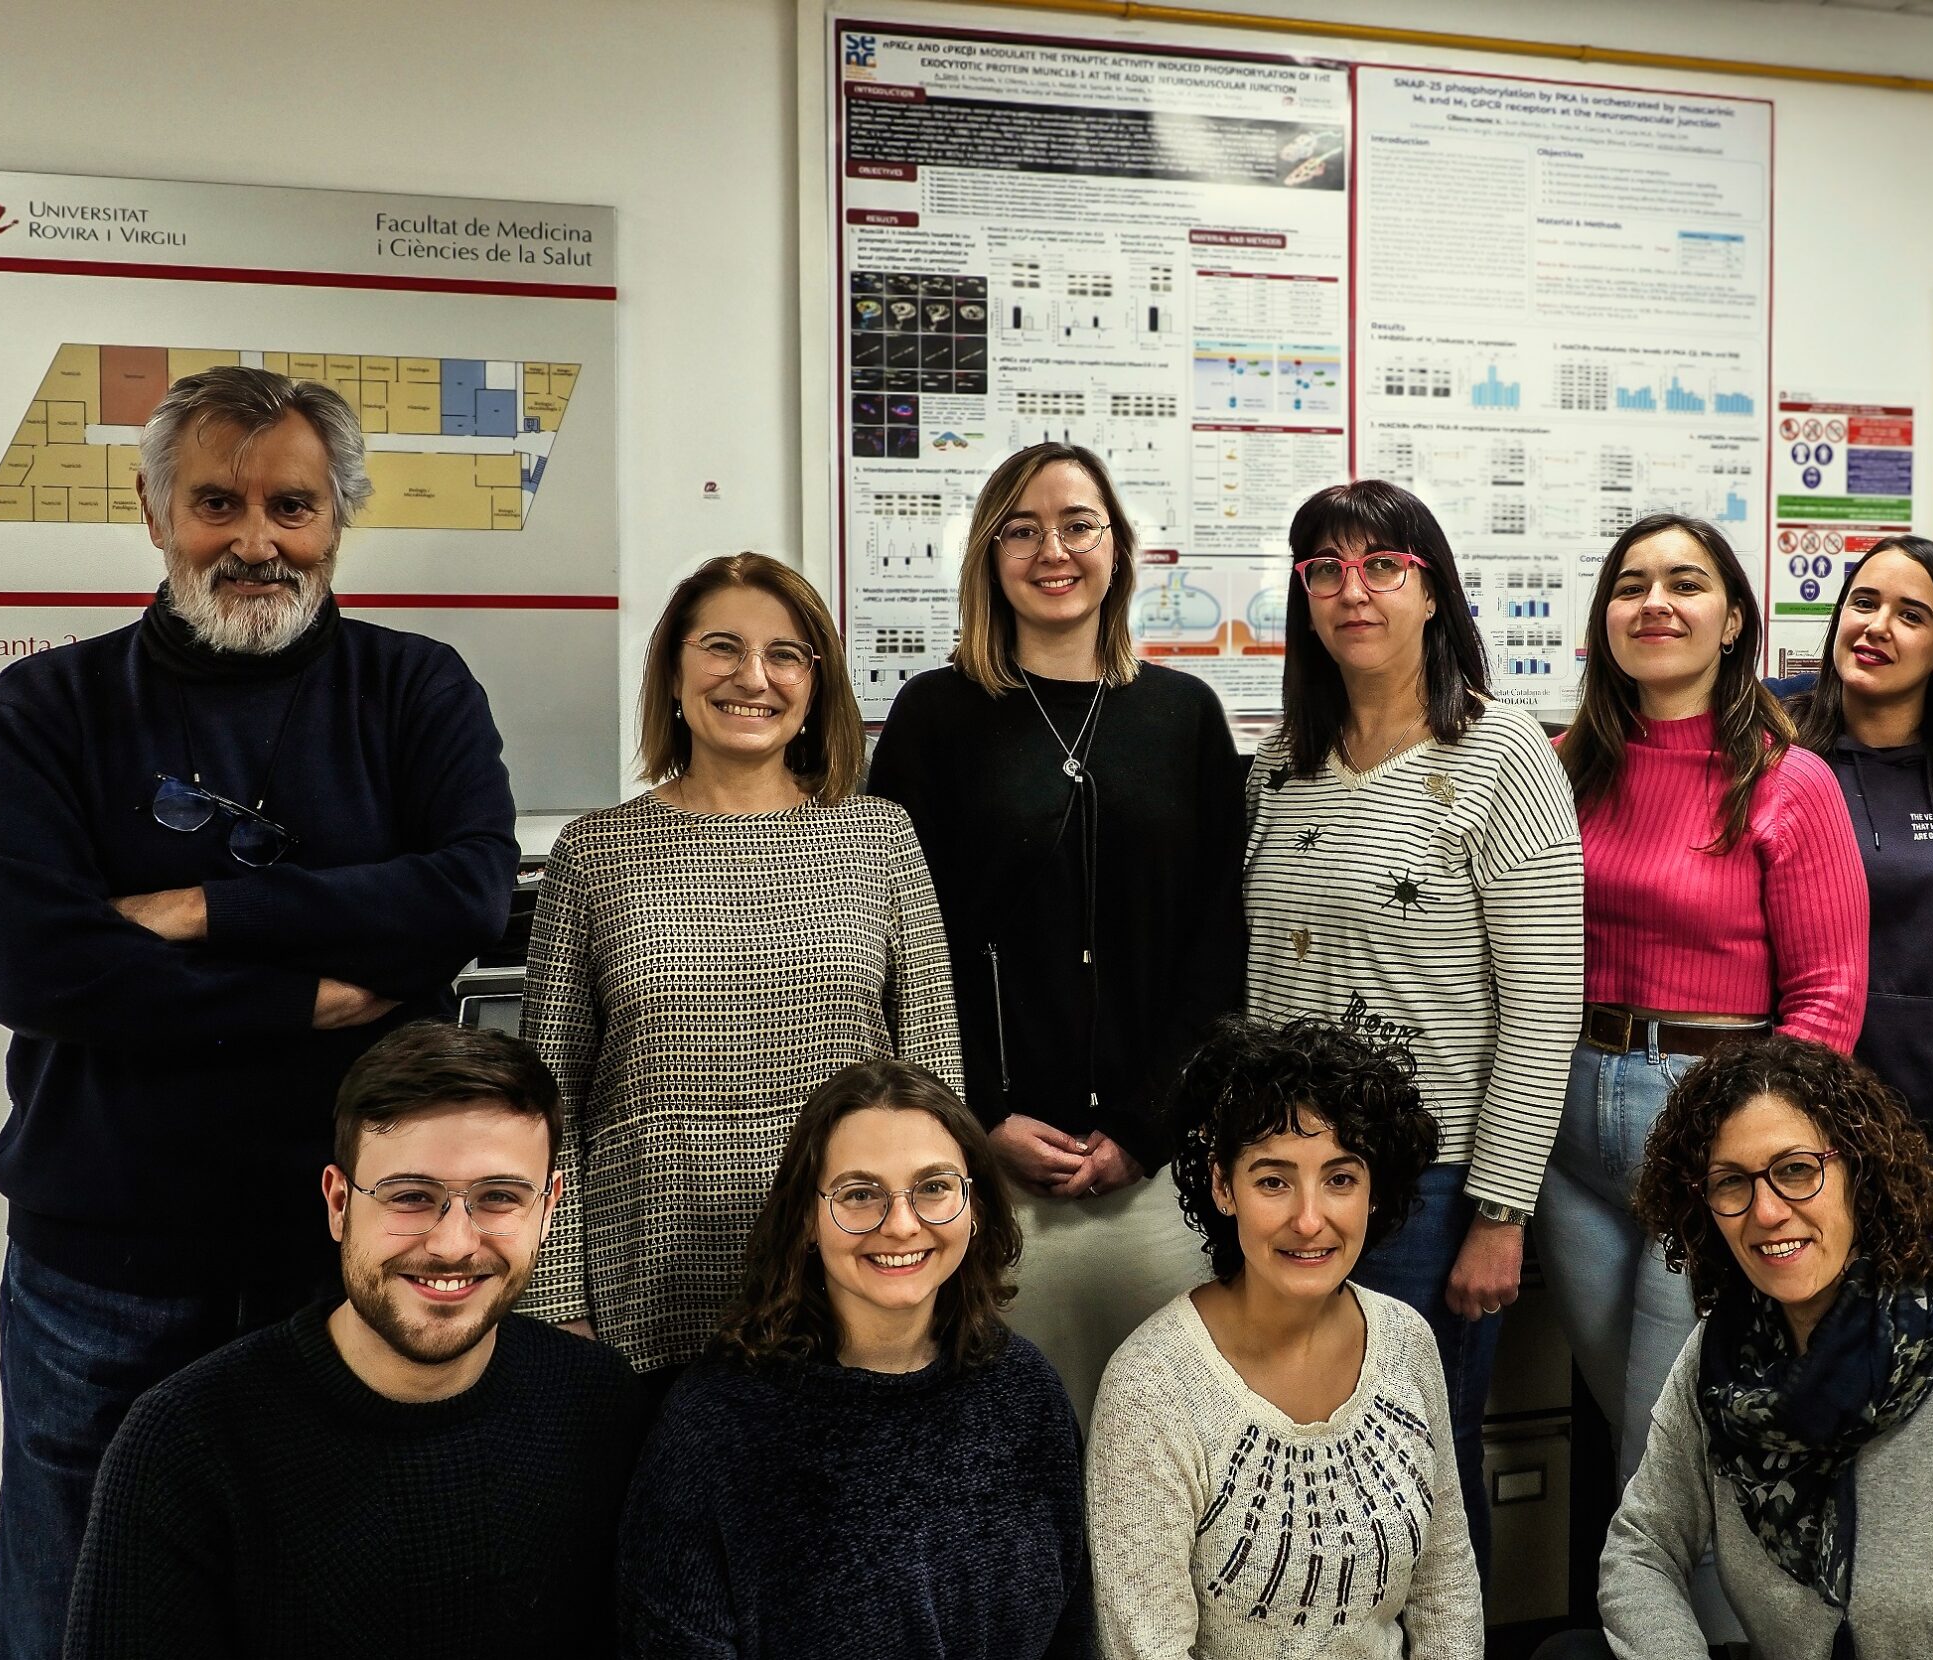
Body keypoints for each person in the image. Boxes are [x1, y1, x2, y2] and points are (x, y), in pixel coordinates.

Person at [0, 365, 518, 1660]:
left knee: (323, 1600)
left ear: (337, 519)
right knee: (76, 1603)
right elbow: (39, 970)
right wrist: (307, 991)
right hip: (104, 1263)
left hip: (340, 1256)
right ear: (155, 512)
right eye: (218, 502)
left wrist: (203, 911)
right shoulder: (40, 711)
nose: (256, 540)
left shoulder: (416, 689)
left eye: (291, 506)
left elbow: (464, 895)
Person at [517, 551, 961, 1397]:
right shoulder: (594, 853)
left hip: (856, 1282)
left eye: (785, 654)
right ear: (673, 671)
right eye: (722, 647)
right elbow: (549, 1103)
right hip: (648, 1297)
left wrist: (943, 1265)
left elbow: (936, 1081)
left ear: (815, 685)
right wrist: (558, 1302)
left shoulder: (881, 837)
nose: (753, 677)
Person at [1241, 478, 1583, 1575]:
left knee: (1417, 1464)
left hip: (1428, 1188)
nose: (1354, 590)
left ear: (1432, 592)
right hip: (1283, 1175)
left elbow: (1543, 1002)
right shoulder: (1276, 767)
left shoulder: (1502, 754)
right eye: (1326, 570)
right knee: (1294, 1451)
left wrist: (1500, 1213)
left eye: (1383, 566)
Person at [62, 1019, 645, 1658]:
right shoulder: (186, 1442)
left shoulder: (601, 1405)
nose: (453, 1244)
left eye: (499, 1197)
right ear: (339, 1203)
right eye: (411, 1196)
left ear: (548, 1206)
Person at [869, 441, 1245, 1422]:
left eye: (1079, 526)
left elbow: (1216, 946)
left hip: (1154, 1177)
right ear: (988, 556)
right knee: (1002, 1447)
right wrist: (980, 1116)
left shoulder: (1184, 716)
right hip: (981, 1170)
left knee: (1165, 1446)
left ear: (1116, 548)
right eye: (1022, 530)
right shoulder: (934, 716)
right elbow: (905, 946)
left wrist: (1144, 1128)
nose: (1053, 551)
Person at [1545, 1034, 1933, 1660]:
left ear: (1860, 1177)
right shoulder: (1722, 1361)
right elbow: (1642, 1547)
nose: (1767, 1212)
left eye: (1796, 1170)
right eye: (1732, 1182)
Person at [1545, 513, 1865, 1494]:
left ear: (1732, 622)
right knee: (1628, 1422)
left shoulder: (1788, 779)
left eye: (1685, 584)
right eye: (1630, 586)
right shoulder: (1561, 768)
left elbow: (1829, 996)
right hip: (1568, 1121)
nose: (1654, 604)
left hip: (1708, 1115)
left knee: (1669, 1437)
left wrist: (1755, 1147)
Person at [619, 1057, 1091, 1657]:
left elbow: (1072, 1629)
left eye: (934, 1187)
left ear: (975, 1207)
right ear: (807, 1219)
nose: (901, 1225)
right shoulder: (717, 1420)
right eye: (860, 1194)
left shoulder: (1024, 1390)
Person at [1087, 1015, 1482, 1659]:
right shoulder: (1148, 1388)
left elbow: (1447, 1588)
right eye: (1273, 1181)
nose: (1308, 1219)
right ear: (1223, 1186)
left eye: (1340, 1179)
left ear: (1372, 1190)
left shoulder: (1406, 1340)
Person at [1772, 535, 1933, 1305]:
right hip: (1823, 1137)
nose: (1877, 626)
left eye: (1910, 615)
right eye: (1864, 603)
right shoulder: (1777, 754)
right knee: (1836, 1362)